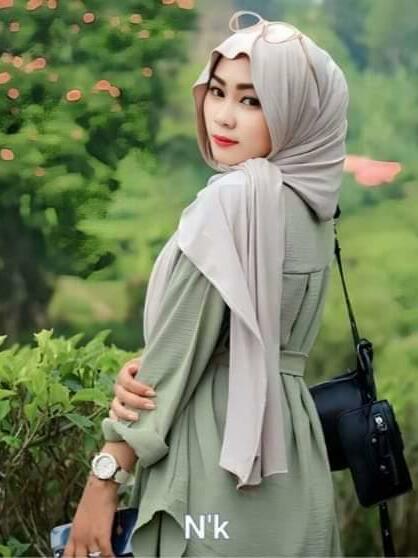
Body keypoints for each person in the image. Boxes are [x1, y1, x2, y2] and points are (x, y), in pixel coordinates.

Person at [63, 10, 348, 558]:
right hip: (293, 460)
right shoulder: (316, 208)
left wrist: (104, 479)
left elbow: (174, 361)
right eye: (217, 92)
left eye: (252, 101)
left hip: (216, 459)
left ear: (295, 112)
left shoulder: (234, 201)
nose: (223, 116)